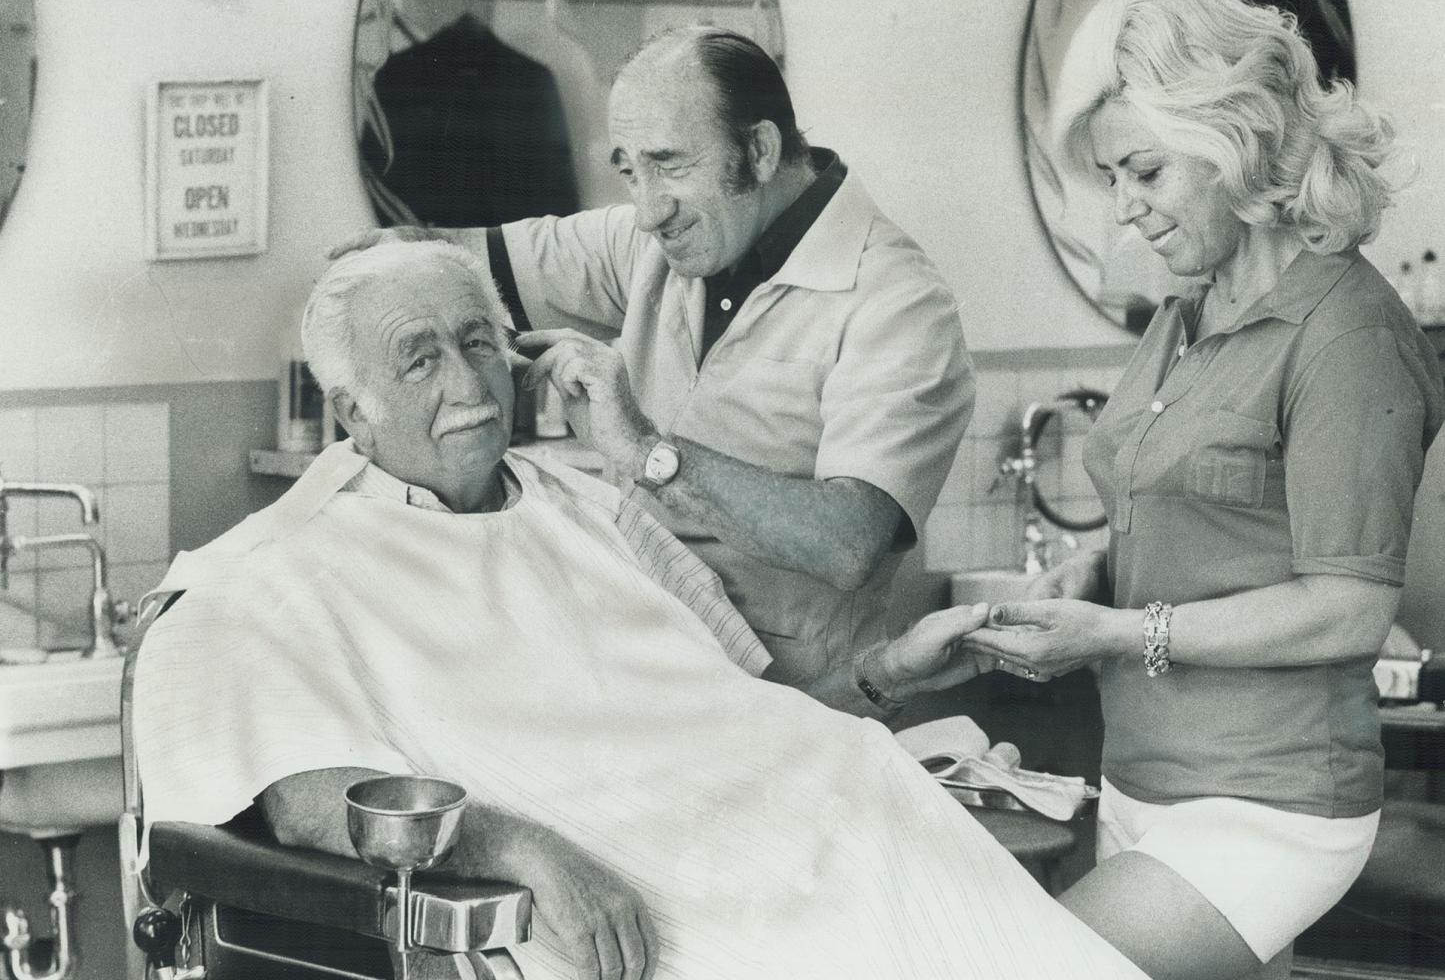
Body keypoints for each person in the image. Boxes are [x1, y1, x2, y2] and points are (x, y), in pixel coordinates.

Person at [132, 241, 1137, 980]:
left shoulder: (594, 508)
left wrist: (890, 671)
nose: (465, 378)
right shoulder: (274, 572)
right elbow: (311, 798)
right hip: (657, 887)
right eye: (419, 359)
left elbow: (754, 704)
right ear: (352, 410)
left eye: (478, 341)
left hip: (829, 825)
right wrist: (522, 845)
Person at [964, 0, 1445, 980]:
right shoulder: (1181, 318)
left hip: (1269, 802)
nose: (1126, 210)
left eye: (1144, 172)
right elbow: (1184, 517)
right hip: (1143, 780)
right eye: (1112, 180)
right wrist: (1088, 576)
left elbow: (1347, 610)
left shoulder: (1345, 335)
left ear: (1229, 141)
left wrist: (1113, 632)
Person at [330, 26, 974, 686]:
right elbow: (457, 260)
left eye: (668, 165)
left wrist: (644, 451)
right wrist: (389, 267)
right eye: (629, 171)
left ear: (757, 149)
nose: (646, 211)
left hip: (801, 701)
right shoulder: (652, 245)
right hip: (640, 670)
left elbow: (849, 543)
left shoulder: (897, 301)